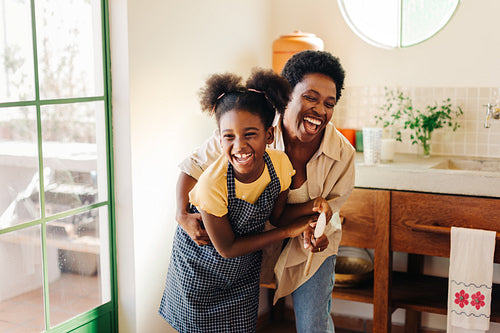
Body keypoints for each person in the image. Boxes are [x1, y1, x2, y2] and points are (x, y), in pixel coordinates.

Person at [176, 50, 355, 333]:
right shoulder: (250, 128)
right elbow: (193, 166)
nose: (320, 110)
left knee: (314, 326)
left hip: (307, 248)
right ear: (287, 96)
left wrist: (316, 227)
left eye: (329, 103)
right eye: (310, 97)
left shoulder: (342, 154)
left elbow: (325, 212)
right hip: (247, 245)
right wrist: (181, 214)